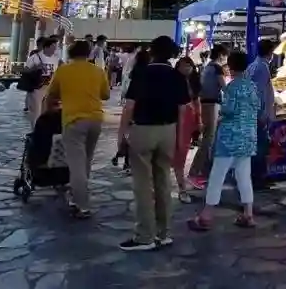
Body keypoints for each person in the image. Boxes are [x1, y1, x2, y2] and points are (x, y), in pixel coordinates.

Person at [118, 36, 191, 251]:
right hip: (168, 130)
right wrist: (180, 138)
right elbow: (183, 110)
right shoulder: (177, 76)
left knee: (142, 184)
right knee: (163, 181)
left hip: (143, 130)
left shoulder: (142, 73)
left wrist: (121, 135)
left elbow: (129, 106)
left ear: (152, 51)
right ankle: (164, 232)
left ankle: (145, 236)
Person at [188, 50, 261, 230]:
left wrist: (220, 117)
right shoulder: (252, 86)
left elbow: (228, 110)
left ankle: (206, 217)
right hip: (248, 137)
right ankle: (248, 214)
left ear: (231, 66)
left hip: (230, 138)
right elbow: (257, 107)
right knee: (244, 176)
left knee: (217, 176)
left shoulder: (231, 88)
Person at [46, 39, 110, 218]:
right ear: (88, 53)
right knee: (86, 161)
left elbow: (52, 94)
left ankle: (82, 205)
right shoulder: (98, 71)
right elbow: (105, 95)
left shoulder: (63, 70)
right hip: (95, 120)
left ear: (71, 53)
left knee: (76, 165)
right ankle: (77, 197)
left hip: (73, 120)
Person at [190, 45, 229, 183]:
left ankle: (203, 170)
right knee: (208, 140)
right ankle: (195, 172)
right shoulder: (217, 68)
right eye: (225, 55)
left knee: (208, 139)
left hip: (204, 104)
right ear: (221, 55)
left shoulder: (207, 67)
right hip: (212, 105)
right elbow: (225, 88)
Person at [247, 39, 277, 188]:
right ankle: (257, 178)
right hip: (258, 115)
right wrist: (262, 114)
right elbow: (258, 93)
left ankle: (258, 176)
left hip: (255, 113)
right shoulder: (261, 68)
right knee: (259, 147)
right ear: (270, 52)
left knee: (258, 146)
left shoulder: (254, 65)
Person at [172, 56, 202, 204]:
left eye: (189, 65)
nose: (186, 68)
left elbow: (197, 102)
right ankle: (180, 188)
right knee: (175, 152)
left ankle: (181, 188)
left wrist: (199, 120)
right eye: (183, 65)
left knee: (181, 152)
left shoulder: (194, 82)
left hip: (188, 120)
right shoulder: (174, 82)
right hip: (175, 120)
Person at [24, 36, 60, 127]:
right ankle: (35, 130)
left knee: (46, 111)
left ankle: (43, 129)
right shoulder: (35, 57)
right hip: (37, 87)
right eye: (53, 47)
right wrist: (36, 67)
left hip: (49, 87)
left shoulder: (55, 59)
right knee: (36, 111)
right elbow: (26, 70)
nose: (55, 49)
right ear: (46, 47)